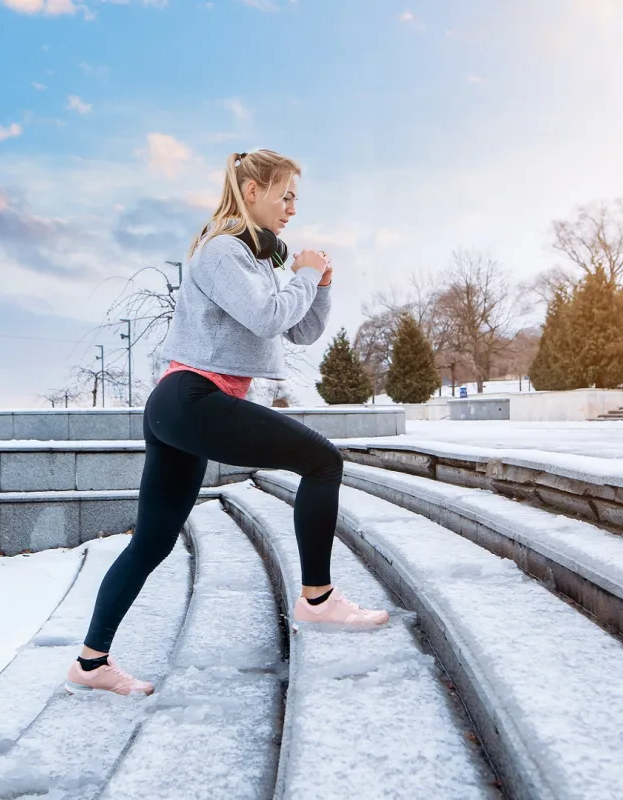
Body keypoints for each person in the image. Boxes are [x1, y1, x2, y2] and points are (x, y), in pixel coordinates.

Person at [66, 149, 389, 696]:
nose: (291, 208)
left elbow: (300, 332)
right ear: (252, 190)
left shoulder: (258, 259)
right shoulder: (222, 250)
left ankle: (90, 663)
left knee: (152, 542)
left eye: (295, 198)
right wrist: (304, 273)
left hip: (185, 404)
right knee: (323, 460)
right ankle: (317, 598)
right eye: (283, 195)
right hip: (191, 398)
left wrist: (321, 284)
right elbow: (268, 315)